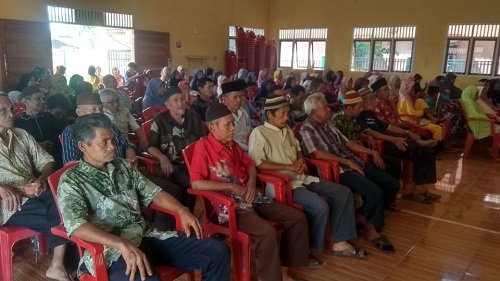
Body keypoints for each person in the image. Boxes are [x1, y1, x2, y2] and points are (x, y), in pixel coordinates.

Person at [57, 113, 230, 281]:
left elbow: (154, 193)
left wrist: (181, 210)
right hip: (110, 252)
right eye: (104, 142)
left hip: (145, 237)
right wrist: (120, 243)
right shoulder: (72, 180)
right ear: (82, 146)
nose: (112, 146)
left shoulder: (123, 167)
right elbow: (77, 226)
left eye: (112, 140)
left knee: (217, 251)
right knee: (143, 276)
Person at [190, 102, 310, 281]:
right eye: (227, 125)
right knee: (266, 233)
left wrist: (252, 183)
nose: (233, 128)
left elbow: (250, 165)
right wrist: (232, 187)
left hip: (251, 195)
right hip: (228, 205)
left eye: (233, 123)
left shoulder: (232, 145)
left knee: (296, 217)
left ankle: (283, 271)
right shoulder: (203, 148)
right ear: (212, 127)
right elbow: (196, 184)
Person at [248, 95, 367, 258]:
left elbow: (297, 148)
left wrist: (301, 160)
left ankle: (340, 242)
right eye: (281, 114)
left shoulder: (287, 129)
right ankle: (310, 246)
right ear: (270, 115)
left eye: (286, 113)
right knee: (320, 206)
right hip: (282, 184)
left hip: (301, 177)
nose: (286, 117)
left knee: (343, 192)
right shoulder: (259, 133)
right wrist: (288, 167)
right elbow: (257, 163)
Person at [299, 93, 399, 253]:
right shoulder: (307, 128)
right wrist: (348, 162)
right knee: (375, 192)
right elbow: (317, 154)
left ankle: (365, 215)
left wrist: (371, 152)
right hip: (339, 170)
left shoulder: (329, 124)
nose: (329, 108)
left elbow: (348, 142)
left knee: (391, 183)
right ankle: (372, 229)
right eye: (324, 107)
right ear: (313, 112)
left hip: (354, 162)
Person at [0, 93, 73, 281]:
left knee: (66, 199)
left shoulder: (21, 134)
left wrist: (41, 179)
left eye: (11, 109)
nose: (10, 115)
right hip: (9, 203)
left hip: (35, 191)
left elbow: (47, 161)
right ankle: (64, 265)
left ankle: (59, 264)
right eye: (3, 111)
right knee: (67, 215)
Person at [357, 87, 440, 203]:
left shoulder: (372, 115)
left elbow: (388, 126)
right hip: (382, 145)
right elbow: (370, 132)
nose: (374, 102)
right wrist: (394, 139)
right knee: (414, 146)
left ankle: (419, 186)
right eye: (371, 99)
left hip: (390, 141)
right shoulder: (360, 116)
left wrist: (408, 132)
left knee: (428, 153)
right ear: (363, 102)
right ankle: (410, 189)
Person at [147, 86, 205, 211]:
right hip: (173, 166)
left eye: (182, 99)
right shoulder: (159, 121)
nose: (181, 103)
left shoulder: (193, 116)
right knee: (191, 182)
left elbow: (203, 140)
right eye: (175, 100)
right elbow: (151, 146)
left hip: (194, 163)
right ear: (167, 105)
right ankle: (186, 212)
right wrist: (162, 157)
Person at [331, 91, 402, 181]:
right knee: (384, 167)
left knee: (395, 162)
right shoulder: (337, 120)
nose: (361, 109)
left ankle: (396, 189)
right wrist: (353, 142)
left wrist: (367, 137)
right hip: (352, 153)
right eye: (359, 107)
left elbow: (358, 133)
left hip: (363, 148)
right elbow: (340, 142)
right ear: (349, 108)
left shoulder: (354, 117)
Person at [61, 92, 136, 165]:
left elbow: (127, 147)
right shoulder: (71, 131)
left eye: (101, 108)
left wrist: (131, 163)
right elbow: (70, 163)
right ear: (78, 112)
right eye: (93, 109)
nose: (99, 112)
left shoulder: (110, 126)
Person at [14, 87, 64, 168]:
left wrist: (51, 143)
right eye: (38, 99)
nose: (43, 102)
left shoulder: (48, 117)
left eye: (43, 98)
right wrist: (37, 145)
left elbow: (61, 134)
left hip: (55, 157)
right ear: (26, 101)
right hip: (32, 163)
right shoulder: (18, 122)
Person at [397, 77, 444, 141]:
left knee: (419, 101)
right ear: (407, 88)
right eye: (412, 88)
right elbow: (412, 113)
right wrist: (422, 112)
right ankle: (435, 145)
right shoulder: (404, 99)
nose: (413, 89)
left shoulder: (408, 98)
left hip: (415, 120)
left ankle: (435, 144)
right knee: (437, 128)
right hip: (410, 122)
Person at [220, 80, 251, 151]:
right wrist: (249, 149)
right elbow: (229, 142)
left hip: (248, 146)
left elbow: (249, 131)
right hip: (234, 151)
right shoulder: (223, 117)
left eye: (240, 96)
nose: (239, 99)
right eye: (235, 97)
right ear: (225, 99)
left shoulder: (242, 112)